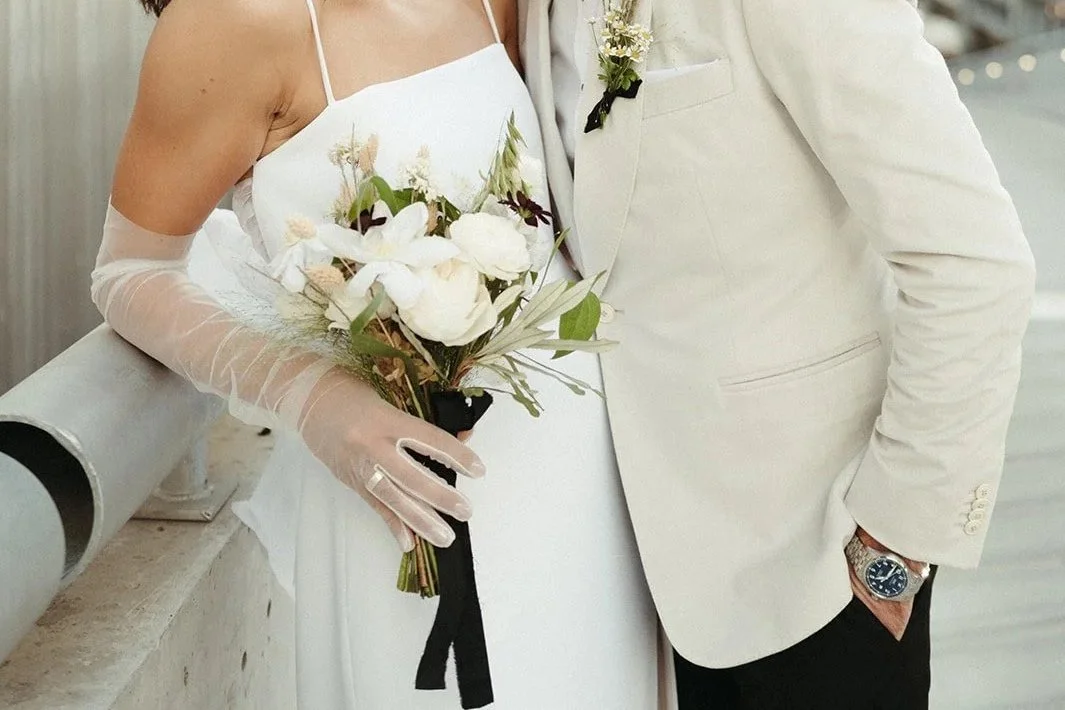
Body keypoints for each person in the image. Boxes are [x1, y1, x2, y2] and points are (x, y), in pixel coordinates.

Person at [90, 0, 662, 707]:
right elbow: (129, 273)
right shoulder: (231, 21)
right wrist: (314, 397)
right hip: (399, 499)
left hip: (584, 496)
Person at [526, 0, 1036, 707]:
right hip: (634, 582)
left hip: (814, 566)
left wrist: (894, 546)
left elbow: (973, 262)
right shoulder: (523, 11)